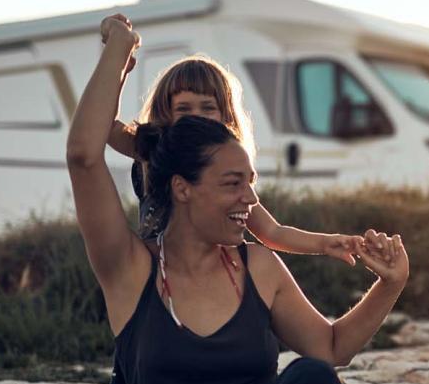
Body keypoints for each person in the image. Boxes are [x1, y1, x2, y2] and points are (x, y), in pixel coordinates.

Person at [43, 14, 409, 384]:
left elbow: (332, 348)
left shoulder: (258, 266)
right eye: (234, 185)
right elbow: (85, 156)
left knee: (314, 381)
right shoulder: (130, 270)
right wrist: (120, 50)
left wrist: (389, 287)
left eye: (251, 184)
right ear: (184, 188)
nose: (248, 201)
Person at [101, 14, 363, 262]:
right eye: (183, 108)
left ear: (225, 114)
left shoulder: (227, 167)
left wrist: (326, 243)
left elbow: (272, 233)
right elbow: (106, 126)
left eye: (207, 107)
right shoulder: (153, 150)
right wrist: (118, 64)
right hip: (159, 274)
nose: (197, 116)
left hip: (215, 278)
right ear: (165, 113)